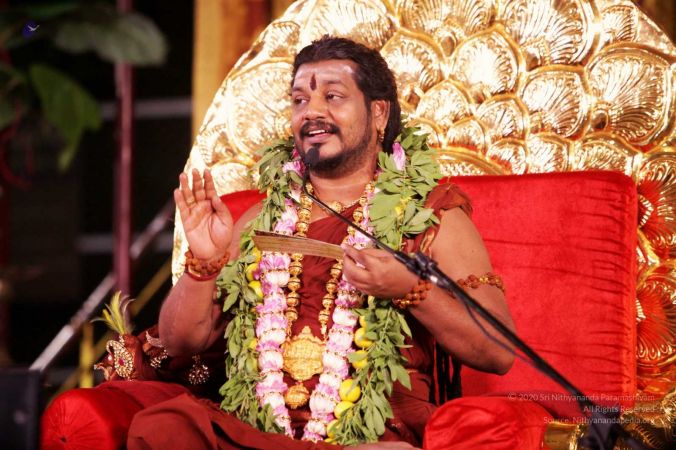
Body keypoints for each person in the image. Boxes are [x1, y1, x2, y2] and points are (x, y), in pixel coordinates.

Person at [127, 36, 515, 449]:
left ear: (379, 112)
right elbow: (181, 342)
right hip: (260, 437)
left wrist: (411, 290)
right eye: (299, 100)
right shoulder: (259, 221)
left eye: (333, 96)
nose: (312, 111)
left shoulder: (430, 215)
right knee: (164, 426)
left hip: (372, 439)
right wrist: (203, 263)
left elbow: (499, 351)